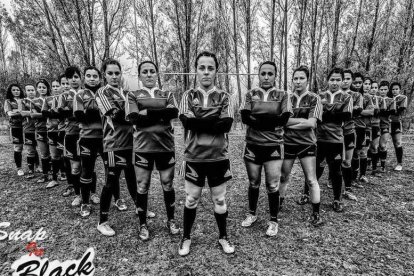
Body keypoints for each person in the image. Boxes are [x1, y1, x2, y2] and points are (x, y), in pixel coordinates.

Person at [178, 51, 234, 256]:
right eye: (202, 67)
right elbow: (187, 121)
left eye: (210, 68)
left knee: (219, 201)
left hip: (219, 157)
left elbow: (226, 124)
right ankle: (186, 237)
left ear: (216, 71)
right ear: (196, 70)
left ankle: (223, 236)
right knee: (191, 199)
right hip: (194, 157)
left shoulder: (225, 96)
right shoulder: (187, 95)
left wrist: (199, 120)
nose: (206, 72)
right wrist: (214, 119)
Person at [126, 61, 179, 240]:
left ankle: (171, 220)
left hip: (165, 147)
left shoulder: (168, 94)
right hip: (143, 148)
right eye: (145, 72)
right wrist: (161, 113)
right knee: (142, 185)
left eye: (152, 71)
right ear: (139, 76)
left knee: (168, 184)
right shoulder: (132, 95)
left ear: (157, 74)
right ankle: (142, 224)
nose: (149, 75)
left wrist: (146, 113)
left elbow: (173, 113)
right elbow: (134, 118)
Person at [240, 60, 292, 236]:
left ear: (275, 75)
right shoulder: (250, 94)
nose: (266, 76)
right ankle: (252, 214)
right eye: (263, 73)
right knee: (254, 182)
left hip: (273, 146)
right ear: (259, 75)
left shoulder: (283, 95)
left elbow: (283, 119)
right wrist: (271, 121)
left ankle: (273, 221)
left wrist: (259, 121)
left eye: (270, 73)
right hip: (252, 145)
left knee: (272, 184)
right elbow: (245, 117)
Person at [95, 59, 139, 236]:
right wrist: (136, 117)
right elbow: (117, 115)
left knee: (131, 175)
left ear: (121, 74)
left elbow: (138, 109)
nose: (114, 76)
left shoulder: (126, 93)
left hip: (129, 143)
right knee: (111, 181)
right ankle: (102, 221)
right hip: (113, 145)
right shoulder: (101, 93)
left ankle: (139, 207)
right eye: (110, 73)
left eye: (117, 73)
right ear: (104, 75)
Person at [278, 65, 322, 226]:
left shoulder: (314, 98)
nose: (298, 81)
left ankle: (316, 213)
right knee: (283, 177)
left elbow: (312, 123)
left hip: (306, 144)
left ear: (307, 80)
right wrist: (301, 122)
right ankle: (278, 204)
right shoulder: (286, 97)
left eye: (301, 78)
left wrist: (291, 124)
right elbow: (283, 121)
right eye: (295, 78)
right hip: (288, 143)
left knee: (311, 180)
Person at [312, 67, 352, 212]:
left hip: (336, 141)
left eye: (338, 80)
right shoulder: (319, 95)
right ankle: (307, 194)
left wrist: (326, 109)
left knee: (336, 171)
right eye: (332, 79)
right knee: (315, 169)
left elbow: (345, 116)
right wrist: (335, 110)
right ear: (328, 80)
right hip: (319, 139)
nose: (334, 82)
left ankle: (337, 199)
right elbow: (317, 116)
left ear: (342, 81)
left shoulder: (347, 97)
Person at [73, 66, 104, 218]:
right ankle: (85, 202)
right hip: (87, 139)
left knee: (112, 169)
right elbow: (79, 116)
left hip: (106, 138)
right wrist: (97, 115)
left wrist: (90, 114)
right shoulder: (80, 94)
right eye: (89, 76)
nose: (92, 78)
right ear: (84, 78)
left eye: (95, 76)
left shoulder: (105, 92)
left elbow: (111, 115)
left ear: (100, 78)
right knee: (87, 170)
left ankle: (117, 198)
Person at [341, 69, 362, 201]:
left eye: (348, 78)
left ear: (351, 80)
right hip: (332, 133)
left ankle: (347, 189)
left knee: (347, 161)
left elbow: (358, 110)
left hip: (349, 131)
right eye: (342, 78)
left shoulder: (356, 95)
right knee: (330, 161)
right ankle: (307, 192)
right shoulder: (330, 94)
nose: (344, 81)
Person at [352, 76, 374, 187]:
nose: (358, 84)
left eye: (360, 82)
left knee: (361, 152)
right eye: (355, 82)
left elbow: (370, 112)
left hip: (363, 127)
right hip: (349, 127)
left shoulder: (367, 97)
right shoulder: (347, 94)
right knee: (349, 154)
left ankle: (361, 175)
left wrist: (357, 111)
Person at [41, 79, 63, 188]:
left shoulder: (66, 97)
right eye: (53, 86)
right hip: (52, 130)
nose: (55, 88)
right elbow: (44, 113)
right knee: (54, 155)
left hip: (64, 130)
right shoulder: (47, 99)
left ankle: (65, 175)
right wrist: (54, 113)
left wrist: (54, 113)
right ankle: (54, 178)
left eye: (57, 86)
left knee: (66, 155)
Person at [30, 79, 51, 184]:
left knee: (55, 153)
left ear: (48, 88)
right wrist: (47, 113)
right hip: (40, 129)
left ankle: (58, 173)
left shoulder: (52, 99)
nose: (42, 89)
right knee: (44, 154)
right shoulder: (34, 101)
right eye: (40, 87)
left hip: (52, 129)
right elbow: (33, 115)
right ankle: (45, 175)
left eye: (44, 87)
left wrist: (43, 114)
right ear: (37, 89)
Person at [4, 83, 25, 176]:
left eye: (18, 89)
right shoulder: (8, 101)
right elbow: (10, 114)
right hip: (15, 127)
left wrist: (16, 111)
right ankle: (19, 168)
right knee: (18, 147)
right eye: (14, 90)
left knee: (31, 146)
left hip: (27, 126)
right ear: (10, 91)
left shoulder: (24, 100)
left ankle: (36, 166)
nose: (16, 91)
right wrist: (20, 112)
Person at [20, 84, 39, 179]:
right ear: (25, 91)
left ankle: (38, 166)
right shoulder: (22, 101)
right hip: (28, 129)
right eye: (29, 90)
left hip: (40, 128)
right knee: (31, 150)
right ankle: (31, 169)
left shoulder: (39, 100)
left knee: (43, 149)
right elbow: (22, 113)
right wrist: (34, 112)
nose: (31, 92)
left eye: (32, 90)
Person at [389, 82, 407, 171]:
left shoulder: (403, 97)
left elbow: (400, 109)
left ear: (399, 89)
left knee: (397, 143)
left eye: (396, 89)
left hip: (396, 122)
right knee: (381, 144)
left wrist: (391, 109)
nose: (394, 91)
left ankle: (399, 163)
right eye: (393, 89)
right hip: (385, 122)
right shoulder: (387, 98)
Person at [378, 81, 395, 172]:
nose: (383, 91)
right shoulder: (375, 98)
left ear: (388, 90)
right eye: (381, 89)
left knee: (383, 145)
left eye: (385, 89)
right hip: (374, 124)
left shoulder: (391, 100)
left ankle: (382, 166)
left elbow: (393, 112)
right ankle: (371, 164)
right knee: (373, 145)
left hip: (385, 124)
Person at [367, 81, 382, 175]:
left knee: (375, 147)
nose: (373, 89)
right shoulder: (364, 97)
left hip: (376, 125)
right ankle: (364, 169)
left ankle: (374, 169)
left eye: (376, 87)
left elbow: (383, 112)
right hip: (366, 125)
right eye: (372, 87)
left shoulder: (380, 99)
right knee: (364, 148)